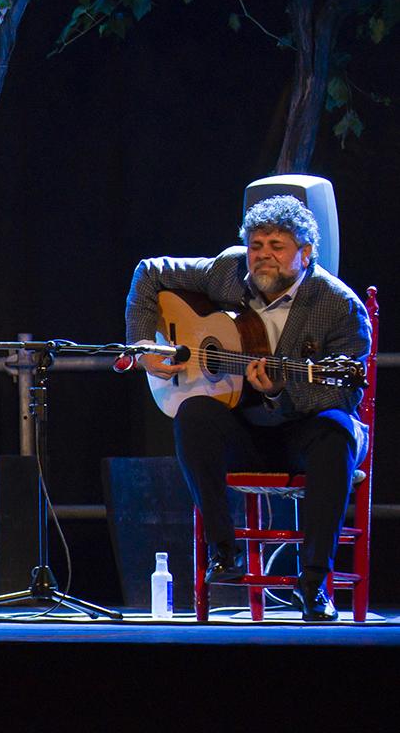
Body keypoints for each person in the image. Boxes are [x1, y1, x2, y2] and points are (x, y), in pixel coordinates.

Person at [126, 194, 370, 622]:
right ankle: (225, 551)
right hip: (245, 428)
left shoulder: (339, 305)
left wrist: (280, 391)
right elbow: (149, 273)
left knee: (336, 430)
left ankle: (313, 583)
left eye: (277, 247)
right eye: (257, 245)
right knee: (194, 413)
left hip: (304, 430)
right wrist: (145, 347)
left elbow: (345, 394)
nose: (263, 257)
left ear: (306, 253)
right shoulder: (229, 269)